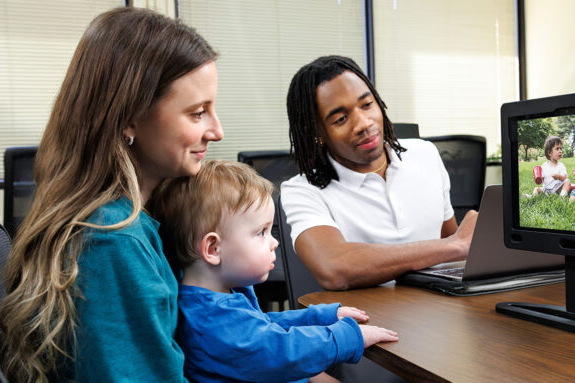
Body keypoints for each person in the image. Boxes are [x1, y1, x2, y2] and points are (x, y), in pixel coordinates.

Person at [0, 8, 223, 382]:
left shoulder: (130, 219)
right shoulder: (112, 240)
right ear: (129, 118)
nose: (217, 131)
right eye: (197, 113)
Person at [148, 160, 398, 383]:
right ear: (213, 248)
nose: (274, 242)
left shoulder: (216, 300)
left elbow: (266, 326)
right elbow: (282, 350)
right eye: (261, 232)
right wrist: (347, 337)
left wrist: (320, 317)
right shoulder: (211, 318)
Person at [281, 55, 478, 291]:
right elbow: (333, 268)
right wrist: (455, 245)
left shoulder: (425, 154)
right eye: (341, 118)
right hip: (371, 323)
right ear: (316, 132)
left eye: (367, 105)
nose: (364, 123)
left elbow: (453, 260)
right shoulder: (303, 190)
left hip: (439, 313)